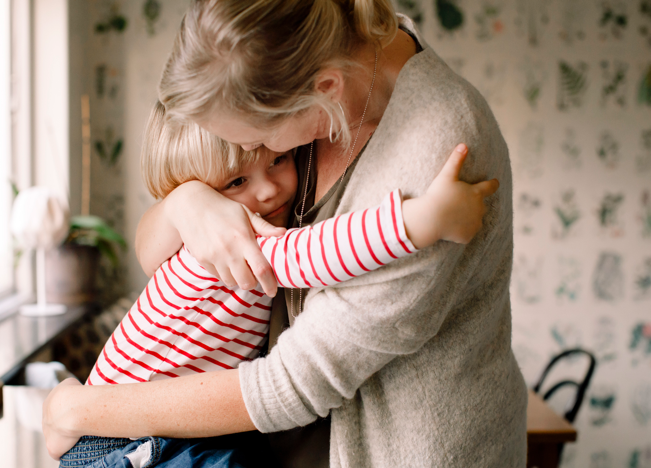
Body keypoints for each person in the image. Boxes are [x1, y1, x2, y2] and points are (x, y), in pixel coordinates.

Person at [43, 1, 528, 467]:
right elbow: (154, 252)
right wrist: (187, 203)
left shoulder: (437, 150)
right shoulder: (315, 76)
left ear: (325, 90)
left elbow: (293, 383)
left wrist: (79, 410)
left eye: (259, 143)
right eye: (234, 175)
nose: (258, 161)